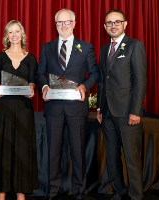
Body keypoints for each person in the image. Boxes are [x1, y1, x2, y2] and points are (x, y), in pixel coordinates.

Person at [37, 9, 100, 200]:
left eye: (67, 22)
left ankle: (79, 192)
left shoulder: (86, 46)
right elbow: (40, 73)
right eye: (59, 23)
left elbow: (95, 73)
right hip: (54, 108)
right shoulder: (47, 47)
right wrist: (44, 87)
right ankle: (53, 191)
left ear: (74, 23)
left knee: (78, 153)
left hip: (76, 108)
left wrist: (84, 86)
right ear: (55, 25)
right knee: (53, 153)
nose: (63, 26)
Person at [96, 10, 147, 200]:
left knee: (132, 158)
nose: (113, 25)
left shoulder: (134, 46)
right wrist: (100, 109)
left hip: (127, 113)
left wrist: (136, 111)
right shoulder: (103, 50)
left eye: (117, 22)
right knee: (112, 156)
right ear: (105, 27)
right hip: (107, 112)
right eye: (109, 23)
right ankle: (119, 192)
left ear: (125, 24)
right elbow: (102, 81)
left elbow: (140, 82)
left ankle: (136, 196)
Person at [0, 20, 38, 200]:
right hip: (3, 108)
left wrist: (31, 88)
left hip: (23, 108)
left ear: (22, 34)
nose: (14, 35)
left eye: (17, 31)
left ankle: (20, 191)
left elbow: (32, 81)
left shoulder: (31, 58)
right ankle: (1, 190)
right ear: (6, 36)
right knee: (3, 147)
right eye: (10, 32)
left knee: (22, 149)